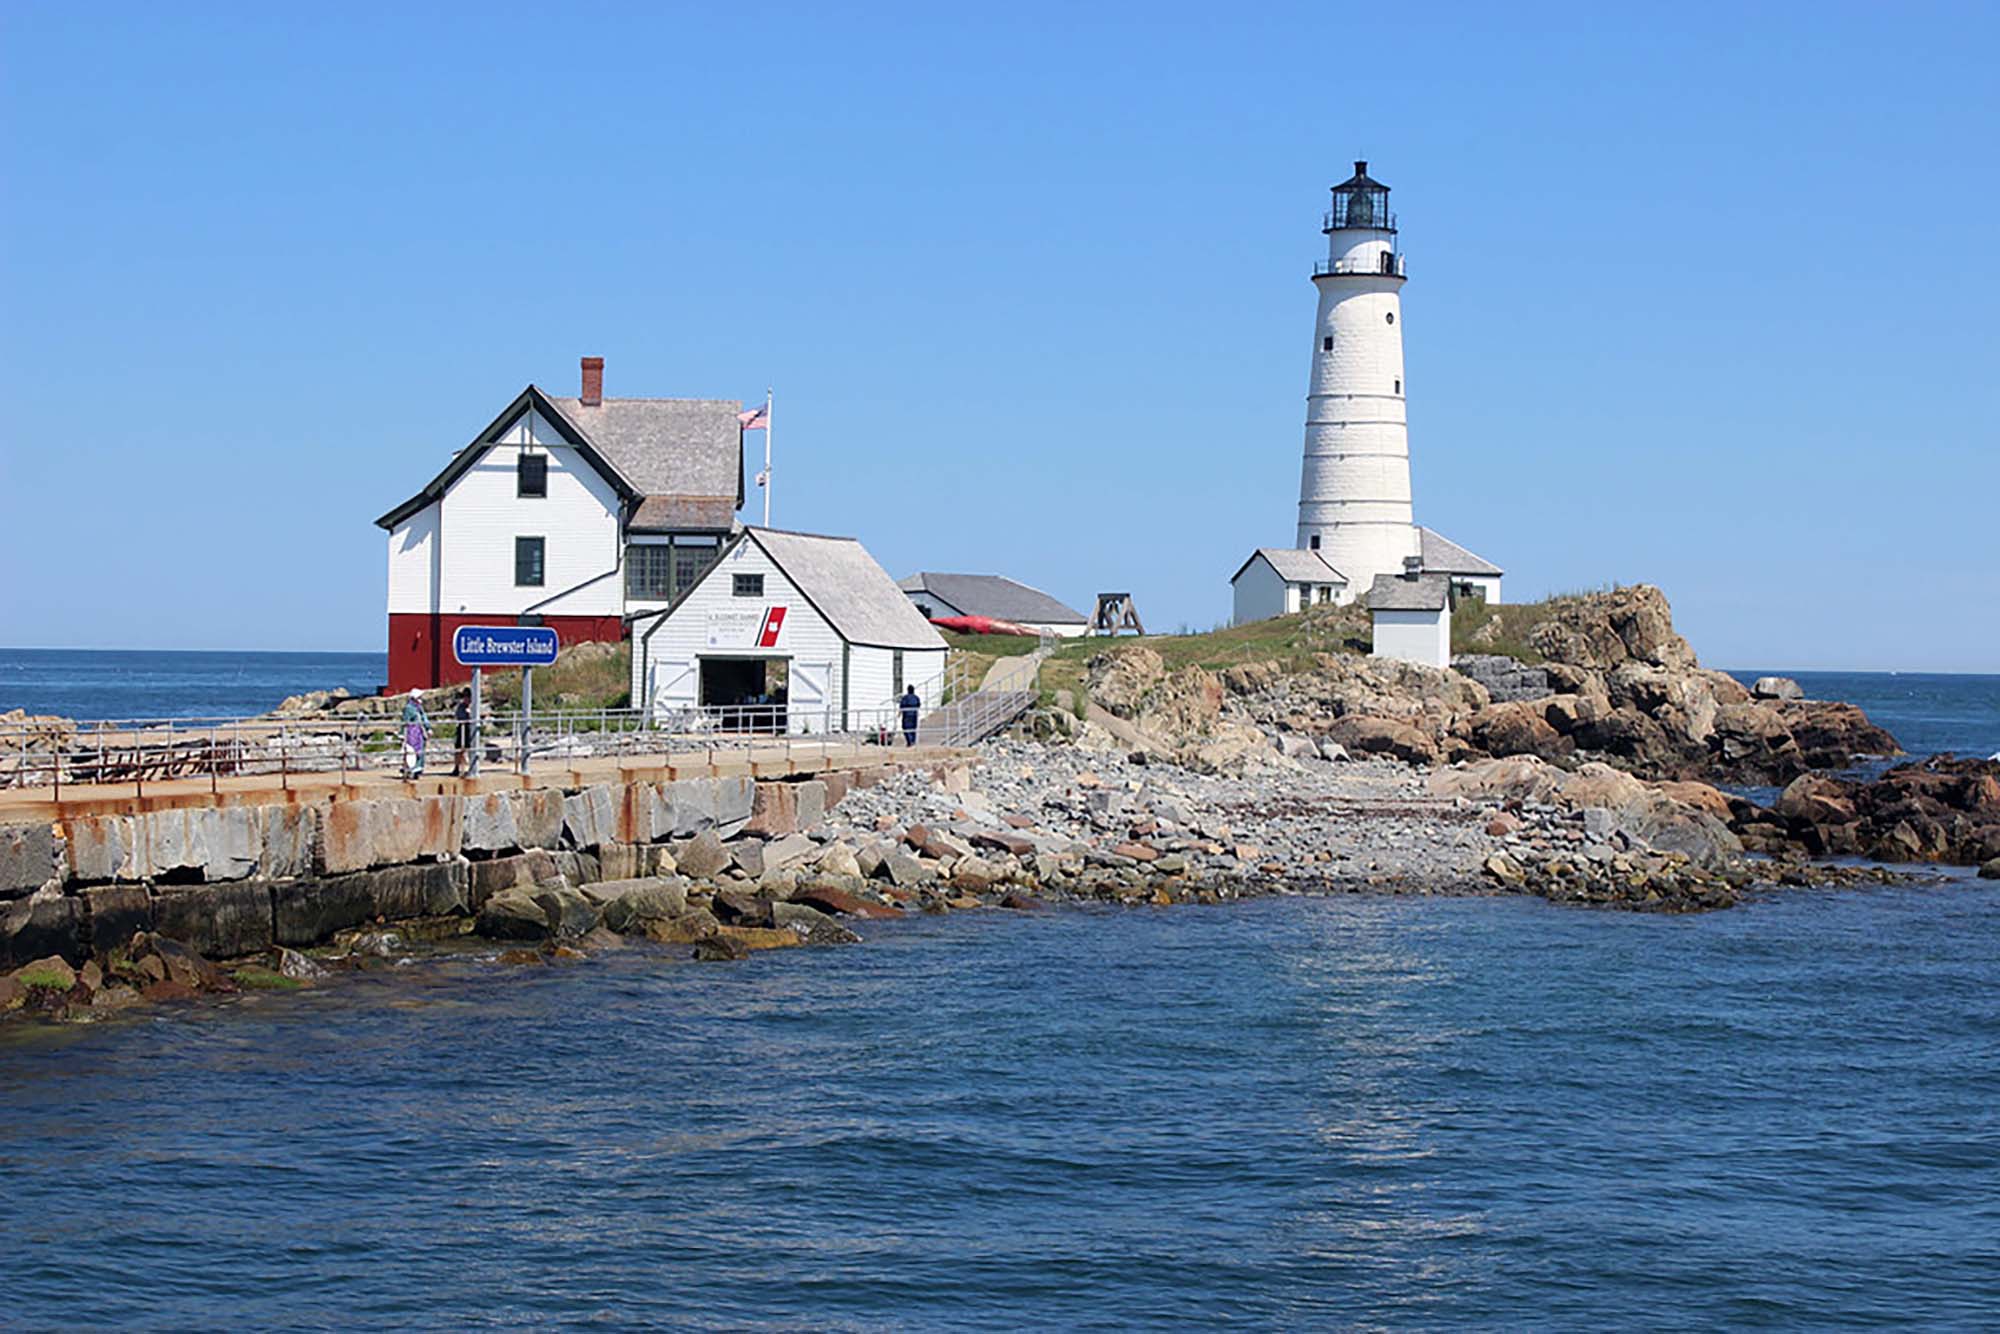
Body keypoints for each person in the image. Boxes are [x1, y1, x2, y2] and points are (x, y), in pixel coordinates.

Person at [400, 688, 430, 778]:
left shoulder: (419, 708)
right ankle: (409, 769)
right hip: (411, 732)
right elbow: (405, 721)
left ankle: (418, 769)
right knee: (411, 750)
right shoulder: (408, 708)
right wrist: (402, 733)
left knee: (420, 750)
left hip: (419, 731)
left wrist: (428, 728)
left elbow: (424, 717)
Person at [450, 689, 473, 776]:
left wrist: (470, 713)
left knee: (470, 748)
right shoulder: (461, 707)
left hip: (470, 729)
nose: (466, 699)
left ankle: (469, 767)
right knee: (459, 749)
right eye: (465, 697)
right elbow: (459, 717)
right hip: (462, 728)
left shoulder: (474, 706)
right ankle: (457, 767)